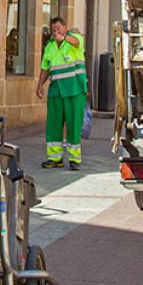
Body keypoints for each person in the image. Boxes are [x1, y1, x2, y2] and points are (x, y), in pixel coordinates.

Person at [35, 17, 88, 170]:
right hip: (56, 91)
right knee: (53, 125)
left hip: (74, 90)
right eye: (53, 30)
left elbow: (76, 42)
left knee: (73, 125)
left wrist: (64, 37)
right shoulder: (50, 46)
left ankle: (74, 159)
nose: (56, 32)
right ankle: (55, 158)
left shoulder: (74, 39)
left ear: (65, 28)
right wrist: (40, 85)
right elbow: (45, 67)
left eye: (59, 28)